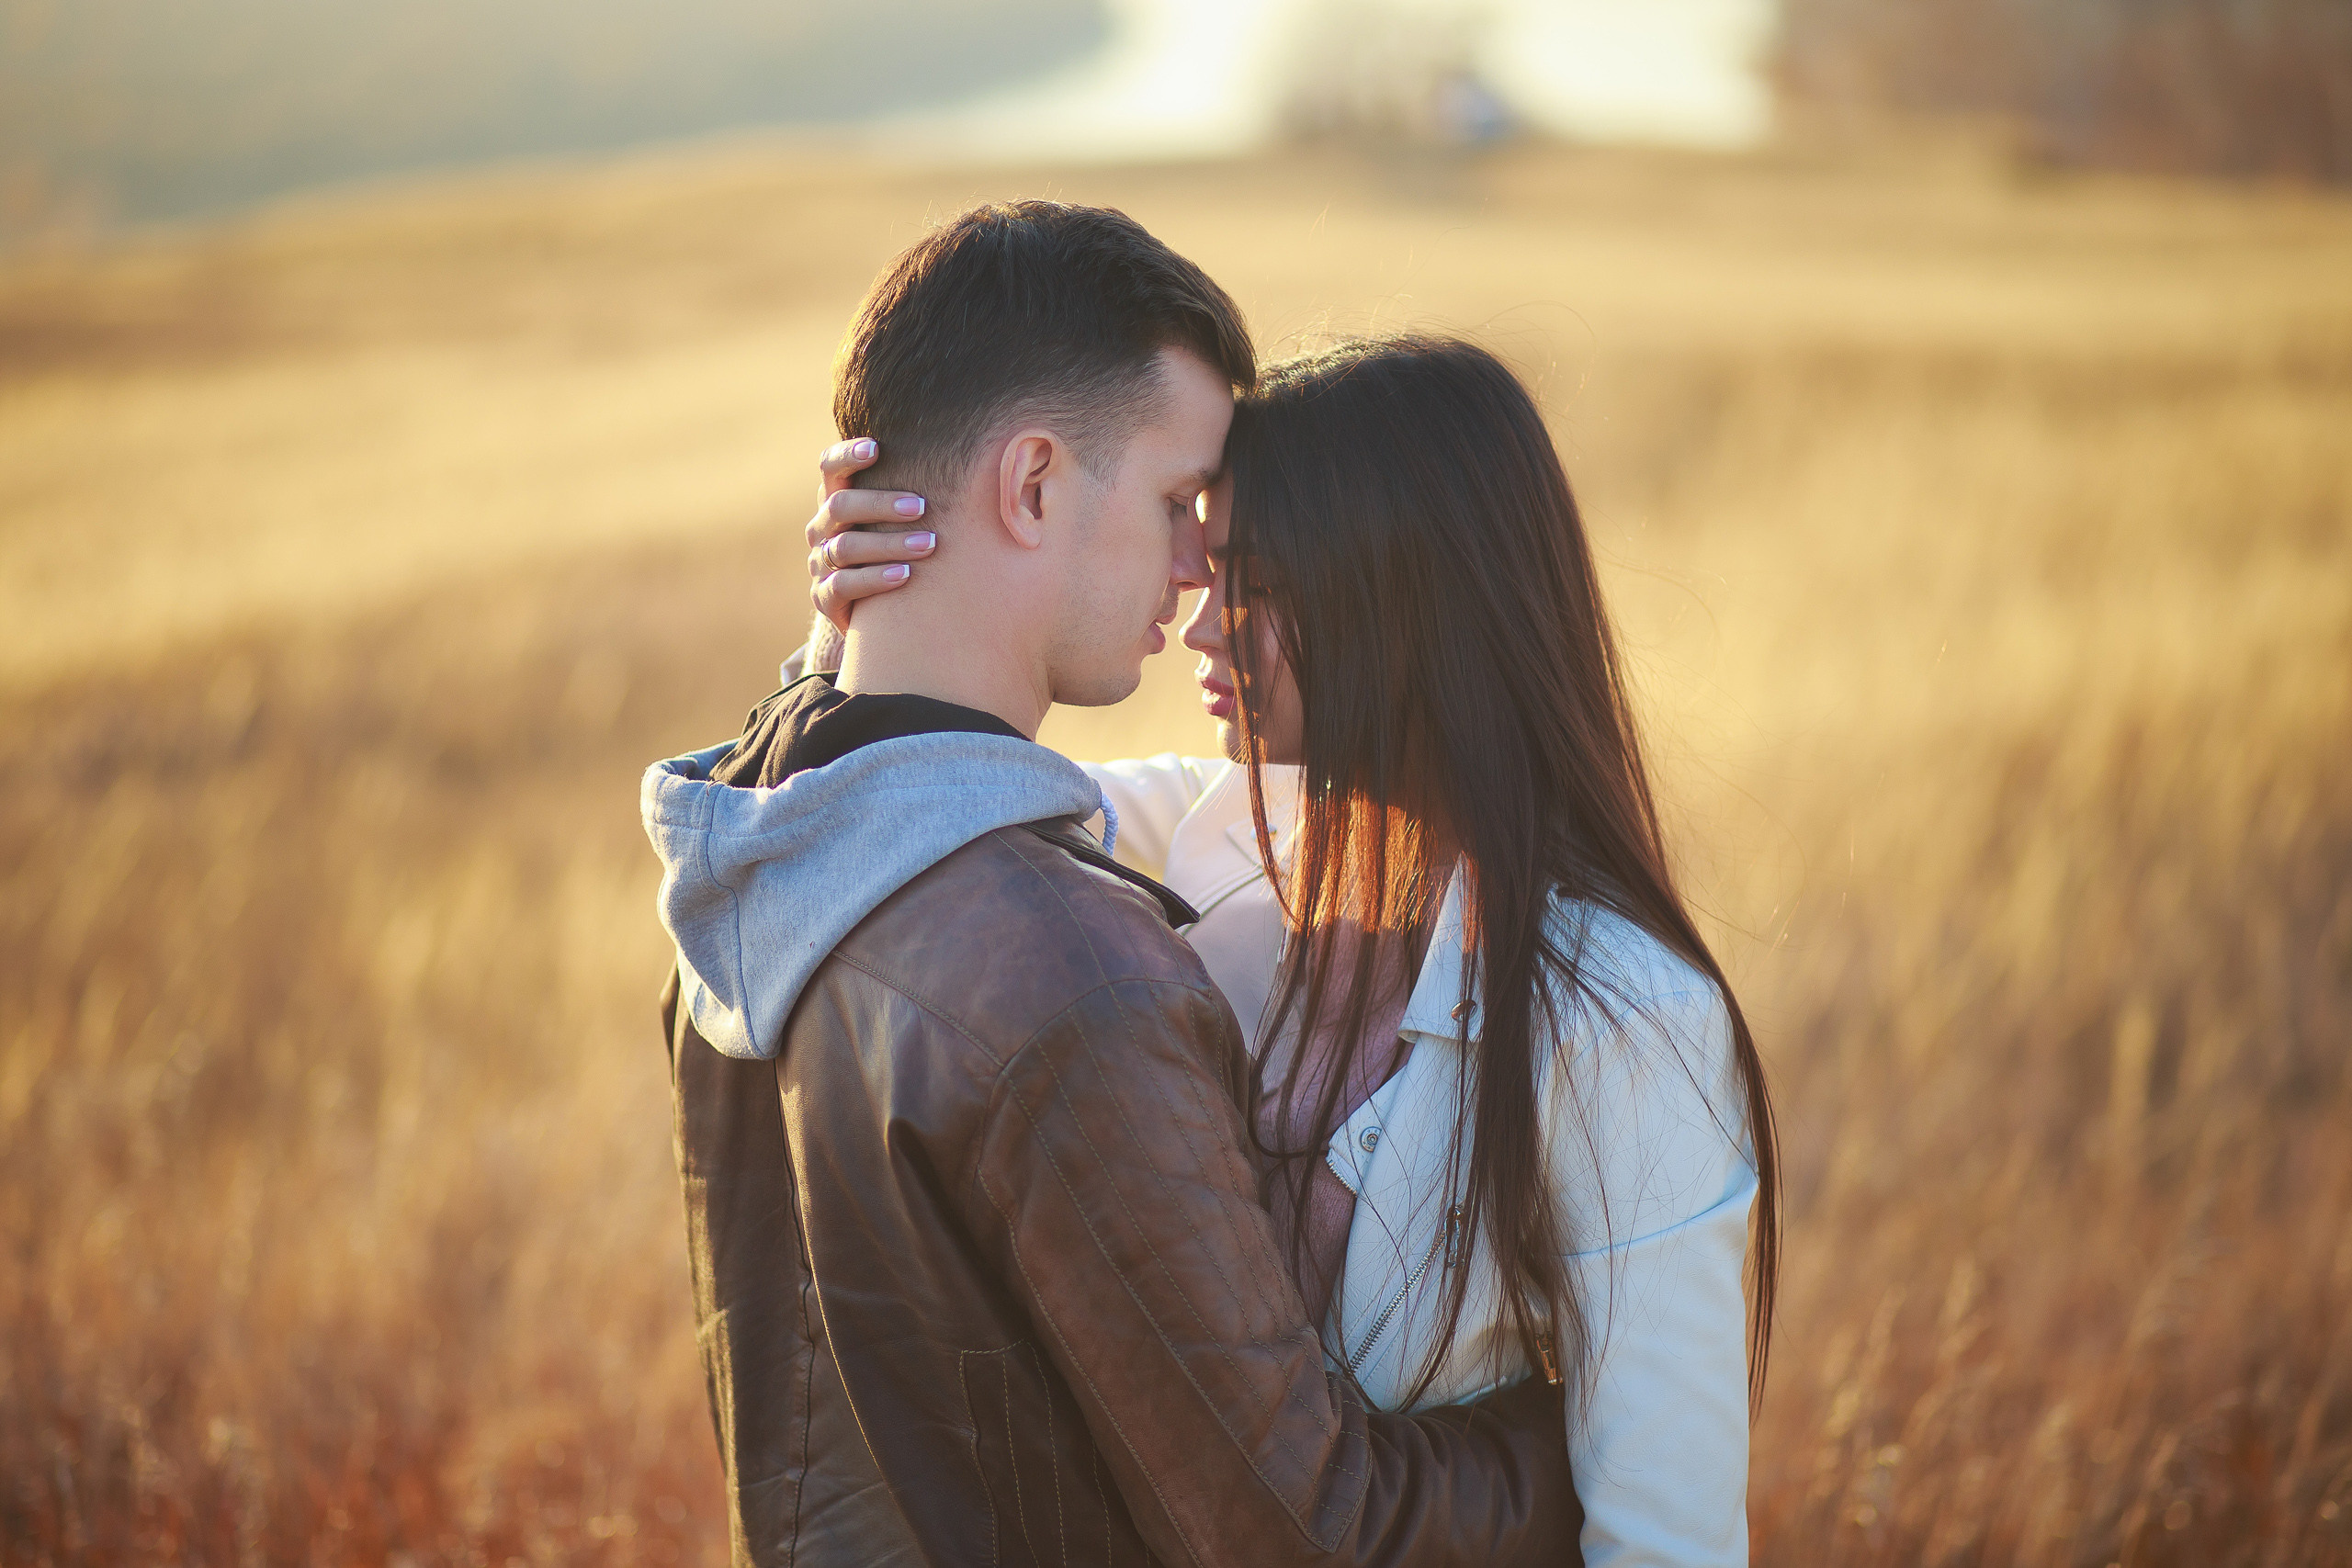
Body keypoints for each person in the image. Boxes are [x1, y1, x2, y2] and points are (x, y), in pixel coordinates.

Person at [643, 203, 1580, 1568]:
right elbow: (1312, 1533)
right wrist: (1576, 1436)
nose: (1208, 567)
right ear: (1031, 487)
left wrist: (835, 648)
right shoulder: (1072, 984)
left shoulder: (754, 869)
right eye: (1176, 504)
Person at [807, 333, 1781, 1567]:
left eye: (1251, 586)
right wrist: (851, 639)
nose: (1197, 629)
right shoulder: (1195, 836)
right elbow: (898, 809)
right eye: (1206, 570)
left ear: (1407, 603)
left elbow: (1668, 1541)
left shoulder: (1622, 1021)